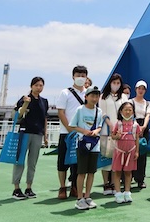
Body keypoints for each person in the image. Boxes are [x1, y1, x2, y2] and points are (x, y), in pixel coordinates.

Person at [11, 76, 49, 200]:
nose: (39, 87)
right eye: (36, 85)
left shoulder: (44, 101)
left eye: (41, 85)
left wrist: (45, 135)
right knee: (19, 161)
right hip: (25, 132)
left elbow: (44, 119)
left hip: (37, 134)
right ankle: (16, 188)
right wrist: (26, 103)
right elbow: (18, 115)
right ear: (31, 86)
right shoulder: (24, 99)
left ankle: (29, 187)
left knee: (33, 162)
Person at [55, 65, 88, 199]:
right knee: (62, 161)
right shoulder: (65, 93)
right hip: (66, 133)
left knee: (78, 163)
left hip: (82, 134)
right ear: (73, 76)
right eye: (78, 75)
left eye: (83, 75)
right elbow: (61, 112)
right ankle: (62, 187)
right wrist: (69, 129)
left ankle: (75, 187)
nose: (80, 77)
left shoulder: (89, 93)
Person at [69, 86, 103, 210]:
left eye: (96, 96)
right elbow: (72, 125)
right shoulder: (80, 109)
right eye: (92, 96)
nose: (94, 98)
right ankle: (79, 198)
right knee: (81, 172)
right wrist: (85, 131)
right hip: (83, 144)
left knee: (91, 172)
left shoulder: (98, 111)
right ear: (86, 97)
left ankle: (88, 196)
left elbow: (100, 126)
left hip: (94, 144)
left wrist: (96, 131)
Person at [98, 73, 129, 195]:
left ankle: (114, 183)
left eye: (118, 83)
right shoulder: (103, 97)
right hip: (107, 131)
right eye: (114, 82)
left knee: (118, 159)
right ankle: (106, 183)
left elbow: (126, 112)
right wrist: (111, 125)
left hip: (122, 132)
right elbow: (103, 113)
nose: (116, 85)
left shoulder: (124, 97)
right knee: (106, 157)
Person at [112, 101, 141, 204]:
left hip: (131, 151)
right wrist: (117, 136)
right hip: (119, 151)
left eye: (130, 110)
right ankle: (118, 193)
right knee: (117, 172)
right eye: (125, 110)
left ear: (133, 112)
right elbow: (113, 136)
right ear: (121, 111)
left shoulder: (135, 125)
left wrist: (137, 151)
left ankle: (127, 192)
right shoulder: (118, 124)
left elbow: (137, 139)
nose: (128, 112)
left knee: (128, 172)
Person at [132, 80, 150, 189]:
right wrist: (136, 126)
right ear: (136, 89)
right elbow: (129, 114)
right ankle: (128, 177)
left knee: (142, 153)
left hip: (144, 127)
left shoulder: (148, 103)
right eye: (139, 88)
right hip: (132, 126)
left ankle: (140, 179)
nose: (141, 90)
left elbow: (148, 115)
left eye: (143, 88)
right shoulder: (130, 101)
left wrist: (143, 126)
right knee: (131, 152)